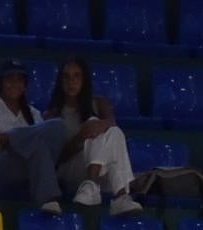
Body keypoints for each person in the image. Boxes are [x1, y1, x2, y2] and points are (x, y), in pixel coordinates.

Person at [0, 62, 72, 215]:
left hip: (26, 164)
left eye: (19, 80)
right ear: (1, 83)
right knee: (39, 142)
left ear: (24, 86)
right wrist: (21, 141)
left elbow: (45, 146)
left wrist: (9, 138)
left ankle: (48, 201)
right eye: (9, 79)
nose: (14, 84)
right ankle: (48, 198)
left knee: (56, 128)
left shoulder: (33, 113)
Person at [46, 55, 142, 214]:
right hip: (70, 168)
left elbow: (111, 123)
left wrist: (99, 125)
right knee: (98, 127)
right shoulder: (51, 115)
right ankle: (119, 196)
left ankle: (98, 187)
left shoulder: (99, 103)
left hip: (101, 170)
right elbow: (54, 159)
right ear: (60, 81)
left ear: (84, 80)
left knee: (113, 131)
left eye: (77, 76)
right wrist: (80, 138)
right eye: (67, 77)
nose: (72, 82)